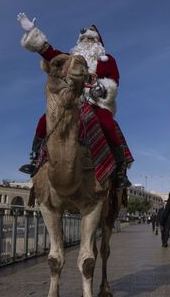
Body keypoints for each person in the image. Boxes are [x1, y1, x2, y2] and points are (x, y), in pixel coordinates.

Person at [16, 13, 131, 188]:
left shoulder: (107, 60)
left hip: (95, 101)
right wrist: (32, 32)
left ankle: (119, 170)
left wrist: (102, 88)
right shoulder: (71, 58)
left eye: (91, 39)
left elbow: (113, 79)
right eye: (84, 38)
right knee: (45, 119)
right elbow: (50, 53)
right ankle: (36, 158)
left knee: (107, 123)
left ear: (98, 42)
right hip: (72, 100)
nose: (87, 42)